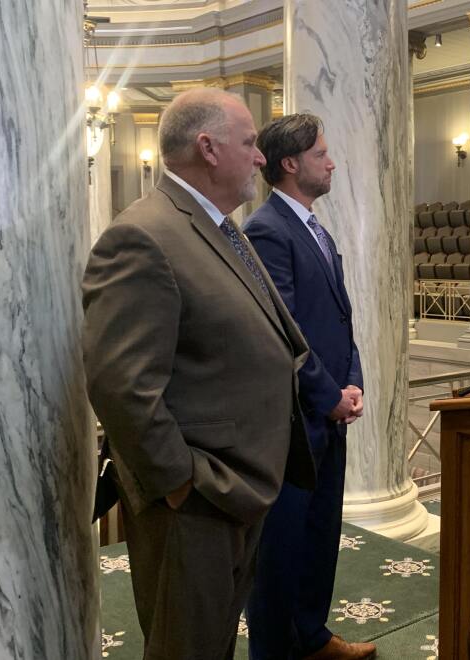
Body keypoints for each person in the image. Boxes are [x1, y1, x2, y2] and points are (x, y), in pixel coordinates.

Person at [81, 88, 315, 660]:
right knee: (185, 647)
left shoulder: (220, 227)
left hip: (238, 486)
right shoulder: (144, 235)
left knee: (212, 643)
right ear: (207, 148)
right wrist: (184, 483)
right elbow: (121, 386)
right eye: (249, 142)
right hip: (197, 500)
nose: (261, 157)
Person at [242, 113, 372, 660]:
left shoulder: (314, 227)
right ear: (291, 163)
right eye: (322, 153)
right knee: (281, 549)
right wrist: (328, 396)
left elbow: (338, 320)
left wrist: (353, 383)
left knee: (320, 537)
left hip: (329, 413)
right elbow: (284, 332)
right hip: (293, 423)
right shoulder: (267, 230)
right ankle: (275, 651)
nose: (332, 162)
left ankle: (313, 638)